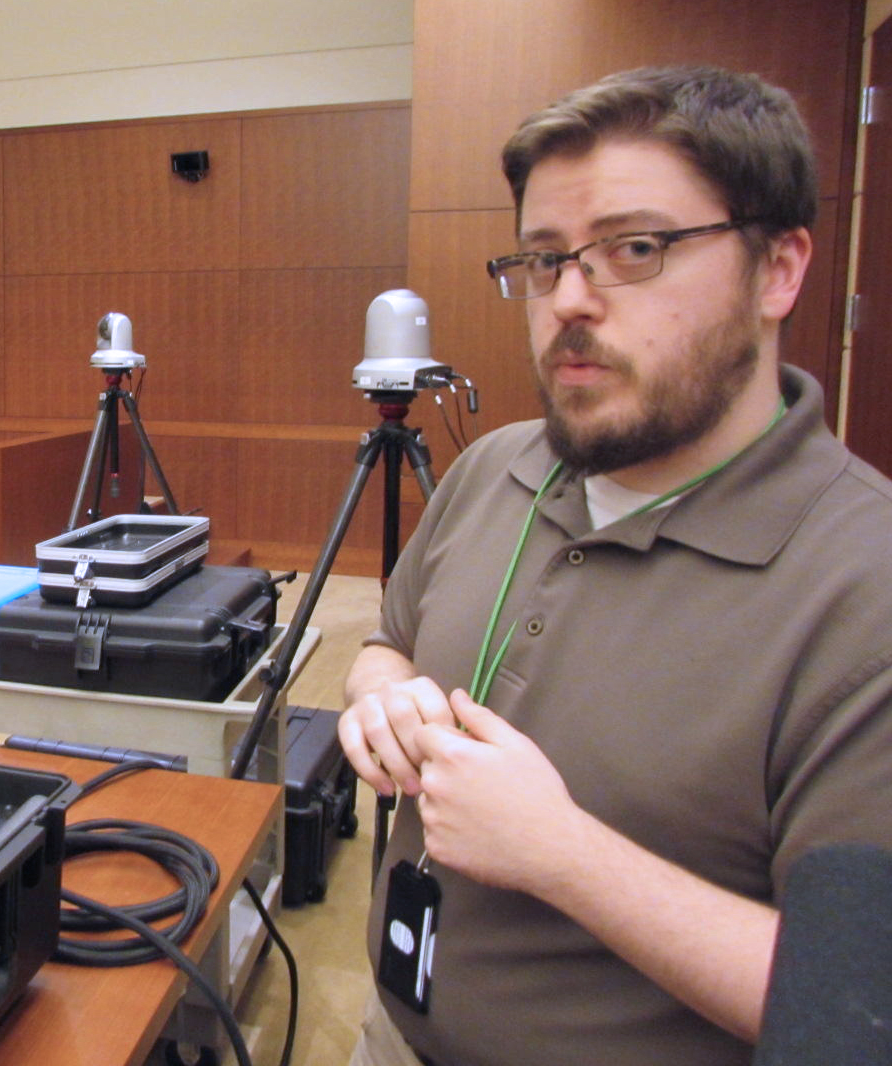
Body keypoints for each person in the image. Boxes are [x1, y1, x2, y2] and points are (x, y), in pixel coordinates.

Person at [338, 65, 892, 1066]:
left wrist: (563, 856)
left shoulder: (865, 586)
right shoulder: (498, 464)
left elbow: (855, 1013)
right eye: (544, 261)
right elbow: (390, 642)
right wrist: (382, 698)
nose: (570, 302)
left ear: (779, 269)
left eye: (636, 249)